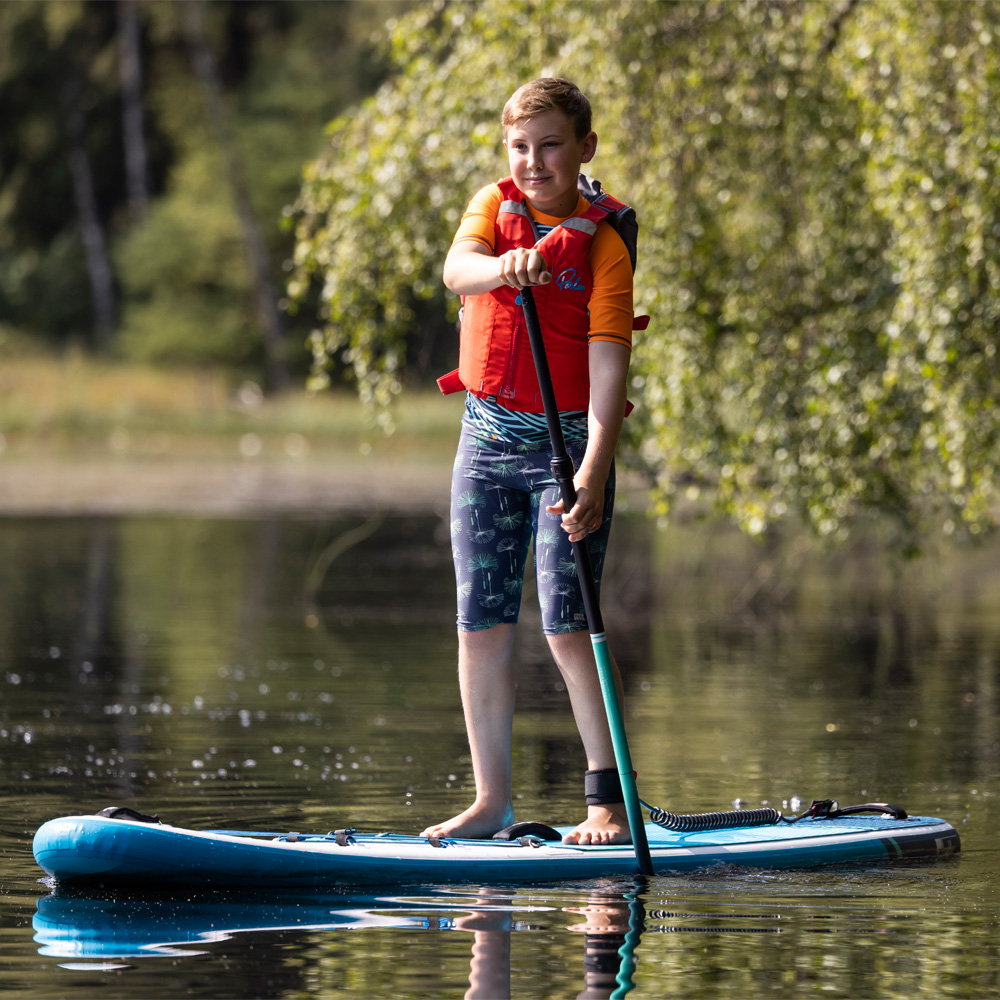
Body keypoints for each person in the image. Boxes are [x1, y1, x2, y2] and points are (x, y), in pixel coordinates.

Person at [422, 78, 636, 846]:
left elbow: (611, 369)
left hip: (567, 447)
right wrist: (508, 270)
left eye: (549, 145)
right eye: (520, 147)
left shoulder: (604, 245)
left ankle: (606, 802)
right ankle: (491, 803)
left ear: (584, 149)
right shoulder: (493, 206)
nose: (533, 161)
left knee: (566, 627)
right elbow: (457, 270)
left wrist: (593, 471)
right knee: (479, 623)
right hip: (484, 440)